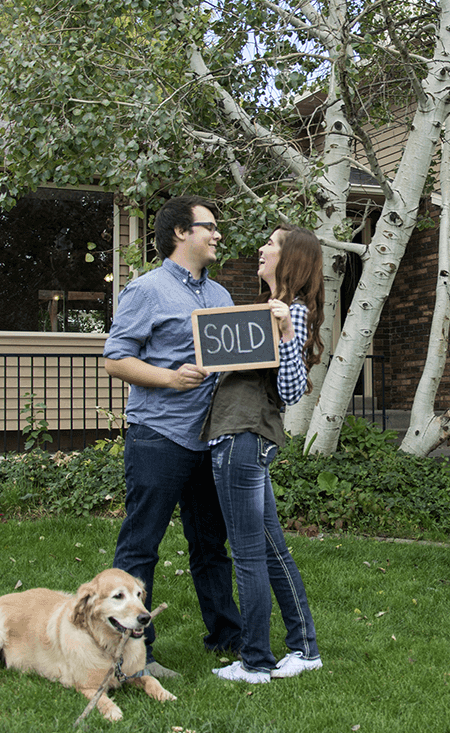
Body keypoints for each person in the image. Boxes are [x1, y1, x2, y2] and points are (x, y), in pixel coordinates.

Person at [104, 195, 242, 675]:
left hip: (211, 440)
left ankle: (227, 638)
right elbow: (115, 357)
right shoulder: (147, 290)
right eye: (209, 226)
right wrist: (169, 377)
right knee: (141, 547)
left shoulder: (222, 297)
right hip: (159, 437)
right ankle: (133, 655)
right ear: (181, 232)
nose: (217, 234)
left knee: (210, 546)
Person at [205, 224, 325, 684]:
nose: (261, 247)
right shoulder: (265, 311)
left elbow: (292, 390)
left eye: (271, 243)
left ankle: (255, 660)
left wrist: (285, 336)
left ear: (290, 257)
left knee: (249, 553)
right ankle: (305, 649)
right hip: (239, 436)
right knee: (272, 550)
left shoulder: (288, 313)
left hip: (245, 437)